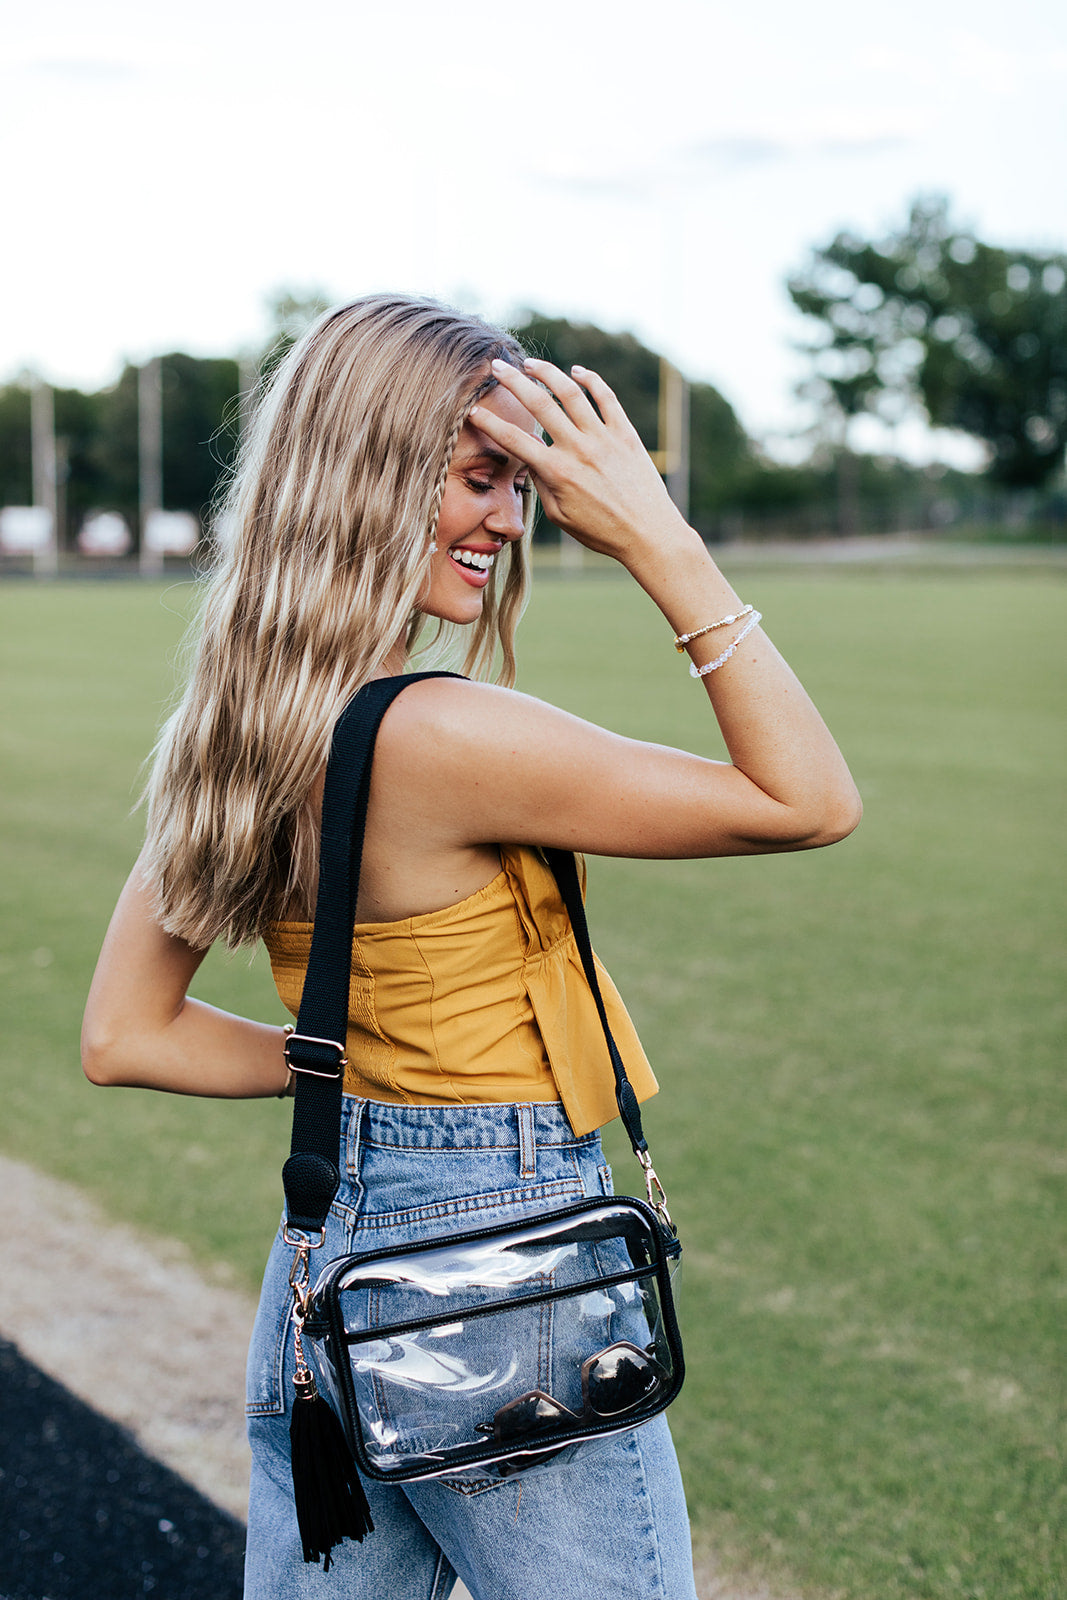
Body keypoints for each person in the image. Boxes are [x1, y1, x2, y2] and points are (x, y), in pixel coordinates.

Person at [82, 294, 861, 1599]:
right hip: (498, 1274)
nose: (514, 519)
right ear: (376, 476)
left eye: (527, 484)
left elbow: (126, 1034)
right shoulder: (445, 737)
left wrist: (351, 1067)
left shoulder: (245, 724)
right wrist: (661, 540)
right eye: (482, 476)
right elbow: (808, 801)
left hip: (326, 1261)